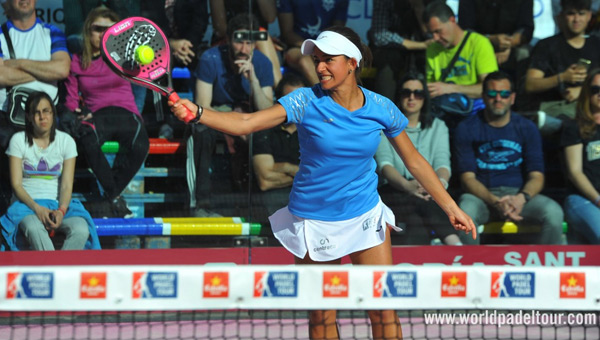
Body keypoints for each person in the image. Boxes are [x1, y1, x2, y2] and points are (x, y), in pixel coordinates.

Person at [171, 25, 476, 340]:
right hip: (314, 219)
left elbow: (415, 161)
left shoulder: (382, 107)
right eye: (317, 59)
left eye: (329, 59)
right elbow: (247, 123)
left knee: (384, 312)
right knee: (321, 316)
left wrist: (450, 206)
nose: (319, 67)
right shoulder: (304, 101)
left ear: (352, 63)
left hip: (364, 215)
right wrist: (198, 113)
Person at [453, 71, 564, 245]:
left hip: (519, 196)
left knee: (553, 212)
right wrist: (495, 201)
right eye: (492, 93)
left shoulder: (527, 128)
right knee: (465, 211)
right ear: (483, 97)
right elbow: (467, 179)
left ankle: (550, 269)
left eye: (504, 94)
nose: (498, 98)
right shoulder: (466, 128)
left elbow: (537, 175)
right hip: (482, 197)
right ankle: (469, 267)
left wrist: (521, 198)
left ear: (512, 98)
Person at [61, 7, 150, 218]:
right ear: (87, 31)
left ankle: (110, 197)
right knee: (86, 139)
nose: (103, 34)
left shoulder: (125, 57)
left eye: (110, 29)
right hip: (98, 115)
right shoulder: (75, 61)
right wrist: (76, 113)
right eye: (98, 29)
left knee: (141, 145)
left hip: (126, 113)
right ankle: (114, 198)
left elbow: (146, 75)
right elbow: (71, 100)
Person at [188, 13, 274, 217]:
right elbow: (202, 107)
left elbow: (267, 110)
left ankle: (258, 207)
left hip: (248, 121)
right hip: (218, 118)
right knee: (200, 131)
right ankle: (201, 204)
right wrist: (235, 121)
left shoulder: (262, 63)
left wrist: (253, 81)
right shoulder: (211, 58)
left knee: (269, 132)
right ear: (228, 39)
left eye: (249, 43)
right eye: (239, 42)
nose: (244, 49)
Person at [0, 91, 100, 251]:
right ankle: (52, 271)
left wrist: (61, 211)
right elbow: (17, 185)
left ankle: (62, 272)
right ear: (29, 117)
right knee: (34, 229)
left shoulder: (66, 141)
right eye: (37, 112)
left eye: (46, 111)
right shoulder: (18, 140)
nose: (42, 117)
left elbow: (67, 185)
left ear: (53, 114)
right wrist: (37, 209)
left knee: (81, 229)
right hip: (26, 206)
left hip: (57, 205)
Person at [0, 0, 71, 221]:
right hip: (7, 122)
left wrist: (17, 63)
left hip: (47, 121)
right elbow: (1, 76)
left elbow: (62, 68)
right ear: (5, 4)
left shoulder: (52, 32)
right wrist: (43, 69)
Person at [375, 73, 462, 246]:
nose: (412, 97)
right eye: (406, 92)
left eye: (418, 93)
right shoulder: (385, 125)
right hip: (395, 188)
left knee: (419, 219)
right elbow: (385, 165)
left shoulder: (438, 126)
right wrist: (408, 186)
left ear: (425, 98)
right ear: (399, 96)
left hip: (429, 190)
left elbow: (443, 163)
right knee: (423, 207)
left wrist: (437, 187)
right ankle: (455, 244)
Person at [524, 0, 600, 133]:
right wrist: (562, 77)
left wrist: (582, 92)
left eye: (581, 14)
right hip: (555, 107)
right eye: (571, 14)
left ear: (589, 16)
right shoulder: (546, 46)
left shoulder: (596, 45)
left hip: (591, 106)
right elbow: (530, 84)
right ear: (561, 16)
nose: (576, 19)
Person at [423, 0, 498, 127]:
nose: (435, 38)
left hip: (475, 114)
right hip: (444, 113)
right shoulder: (432, 50)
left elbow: (491, 89)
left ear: (452, 20)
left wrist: (450, 88)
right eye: (432, 33)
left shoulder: (479, 43)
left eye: (438, 31)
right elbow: (431, 87)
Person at [252, 73, 306, 216]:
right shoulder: (264, 130)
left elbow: (321, 176)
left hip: (308, 199)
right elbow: (265, 182)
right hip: (272, 200)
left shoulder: (315, 133)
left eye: (299, 101)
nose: (295, 106)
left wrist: (284, 168)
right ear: (279, 101)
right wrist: (299, 173)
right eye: (290, 101)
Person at [561, 68, 600, 244]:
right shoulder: (574, 127)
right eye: (595, 89)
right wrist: (598, 199)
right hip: (582, 198)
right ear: (587, 93)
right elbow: (575, 172)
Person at [368, 0, 433, 100]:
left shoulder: (430, 3)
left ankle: (427, 110)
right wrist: (418, 45)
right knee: (388, 62)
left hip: (422, 50)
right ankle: (385, 108)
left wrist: (418, 7)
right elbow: (379, 36)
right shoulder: (383, 2)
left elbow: (432, 36)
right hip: (390, 51)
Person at [210, 0, 282, 86]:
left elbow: (270, 17)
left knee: (262, 36)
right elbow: (220, 29)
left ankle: (279, 89)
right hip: (228, 39)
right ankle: (280, 89)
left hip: (257, 40)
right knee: (262, 37)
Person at [277, 0, 349, 85]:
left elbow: (337, 33)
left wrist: (322, 48)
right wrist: (312, 49)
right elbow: (287, 33)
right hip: (296, 47)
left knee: (344, 60)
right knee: (304, 60)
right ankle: (326, 95)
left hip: (326, 46)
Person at [458, 0, 534, 73]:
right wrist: (488, 41)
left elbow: (526, 28)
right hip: (477, 42)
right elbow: (465, 29)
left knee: (524, 53)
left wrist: (507, 45)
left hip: (511, 45)